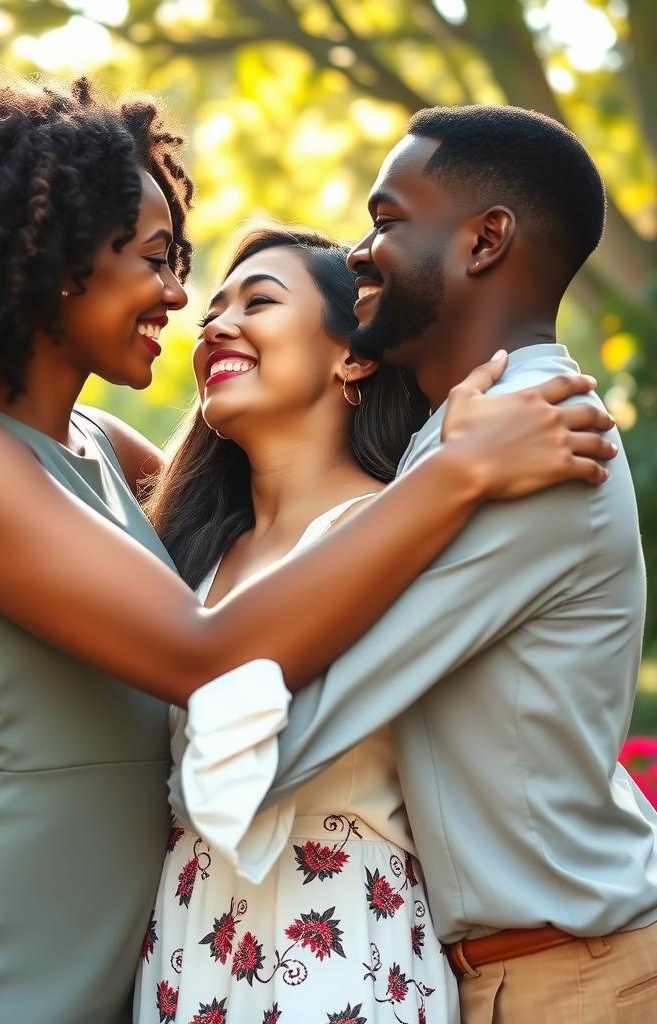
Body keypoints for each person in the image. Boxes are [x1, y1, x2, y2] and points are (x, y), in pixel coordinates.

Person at [0, 67, 616, 1024]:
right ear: (56, 262)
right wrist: (456, 474)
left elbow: (258, 520)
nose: (180, 296)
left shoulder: (104, 451)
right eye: (155, 259)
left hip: (143, 962)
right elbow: (204, 652)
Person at [169, 106, 657, 1023]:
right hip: (520, 965)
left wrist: (71, 762)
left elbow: (290, 740)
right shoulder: (464, 442)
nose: (363, 252)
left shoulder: (534, 441)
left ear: (485, 240)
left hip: (572, 976)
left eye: (387, 220)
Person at [135, 227, 459, 1022]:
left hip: (343, 947)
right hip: (185, 949)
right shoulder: (179, 558)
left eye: (260, 302)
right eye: (211, 311)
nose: (216, 326)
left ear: (353, 356)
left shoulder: (402, 531)